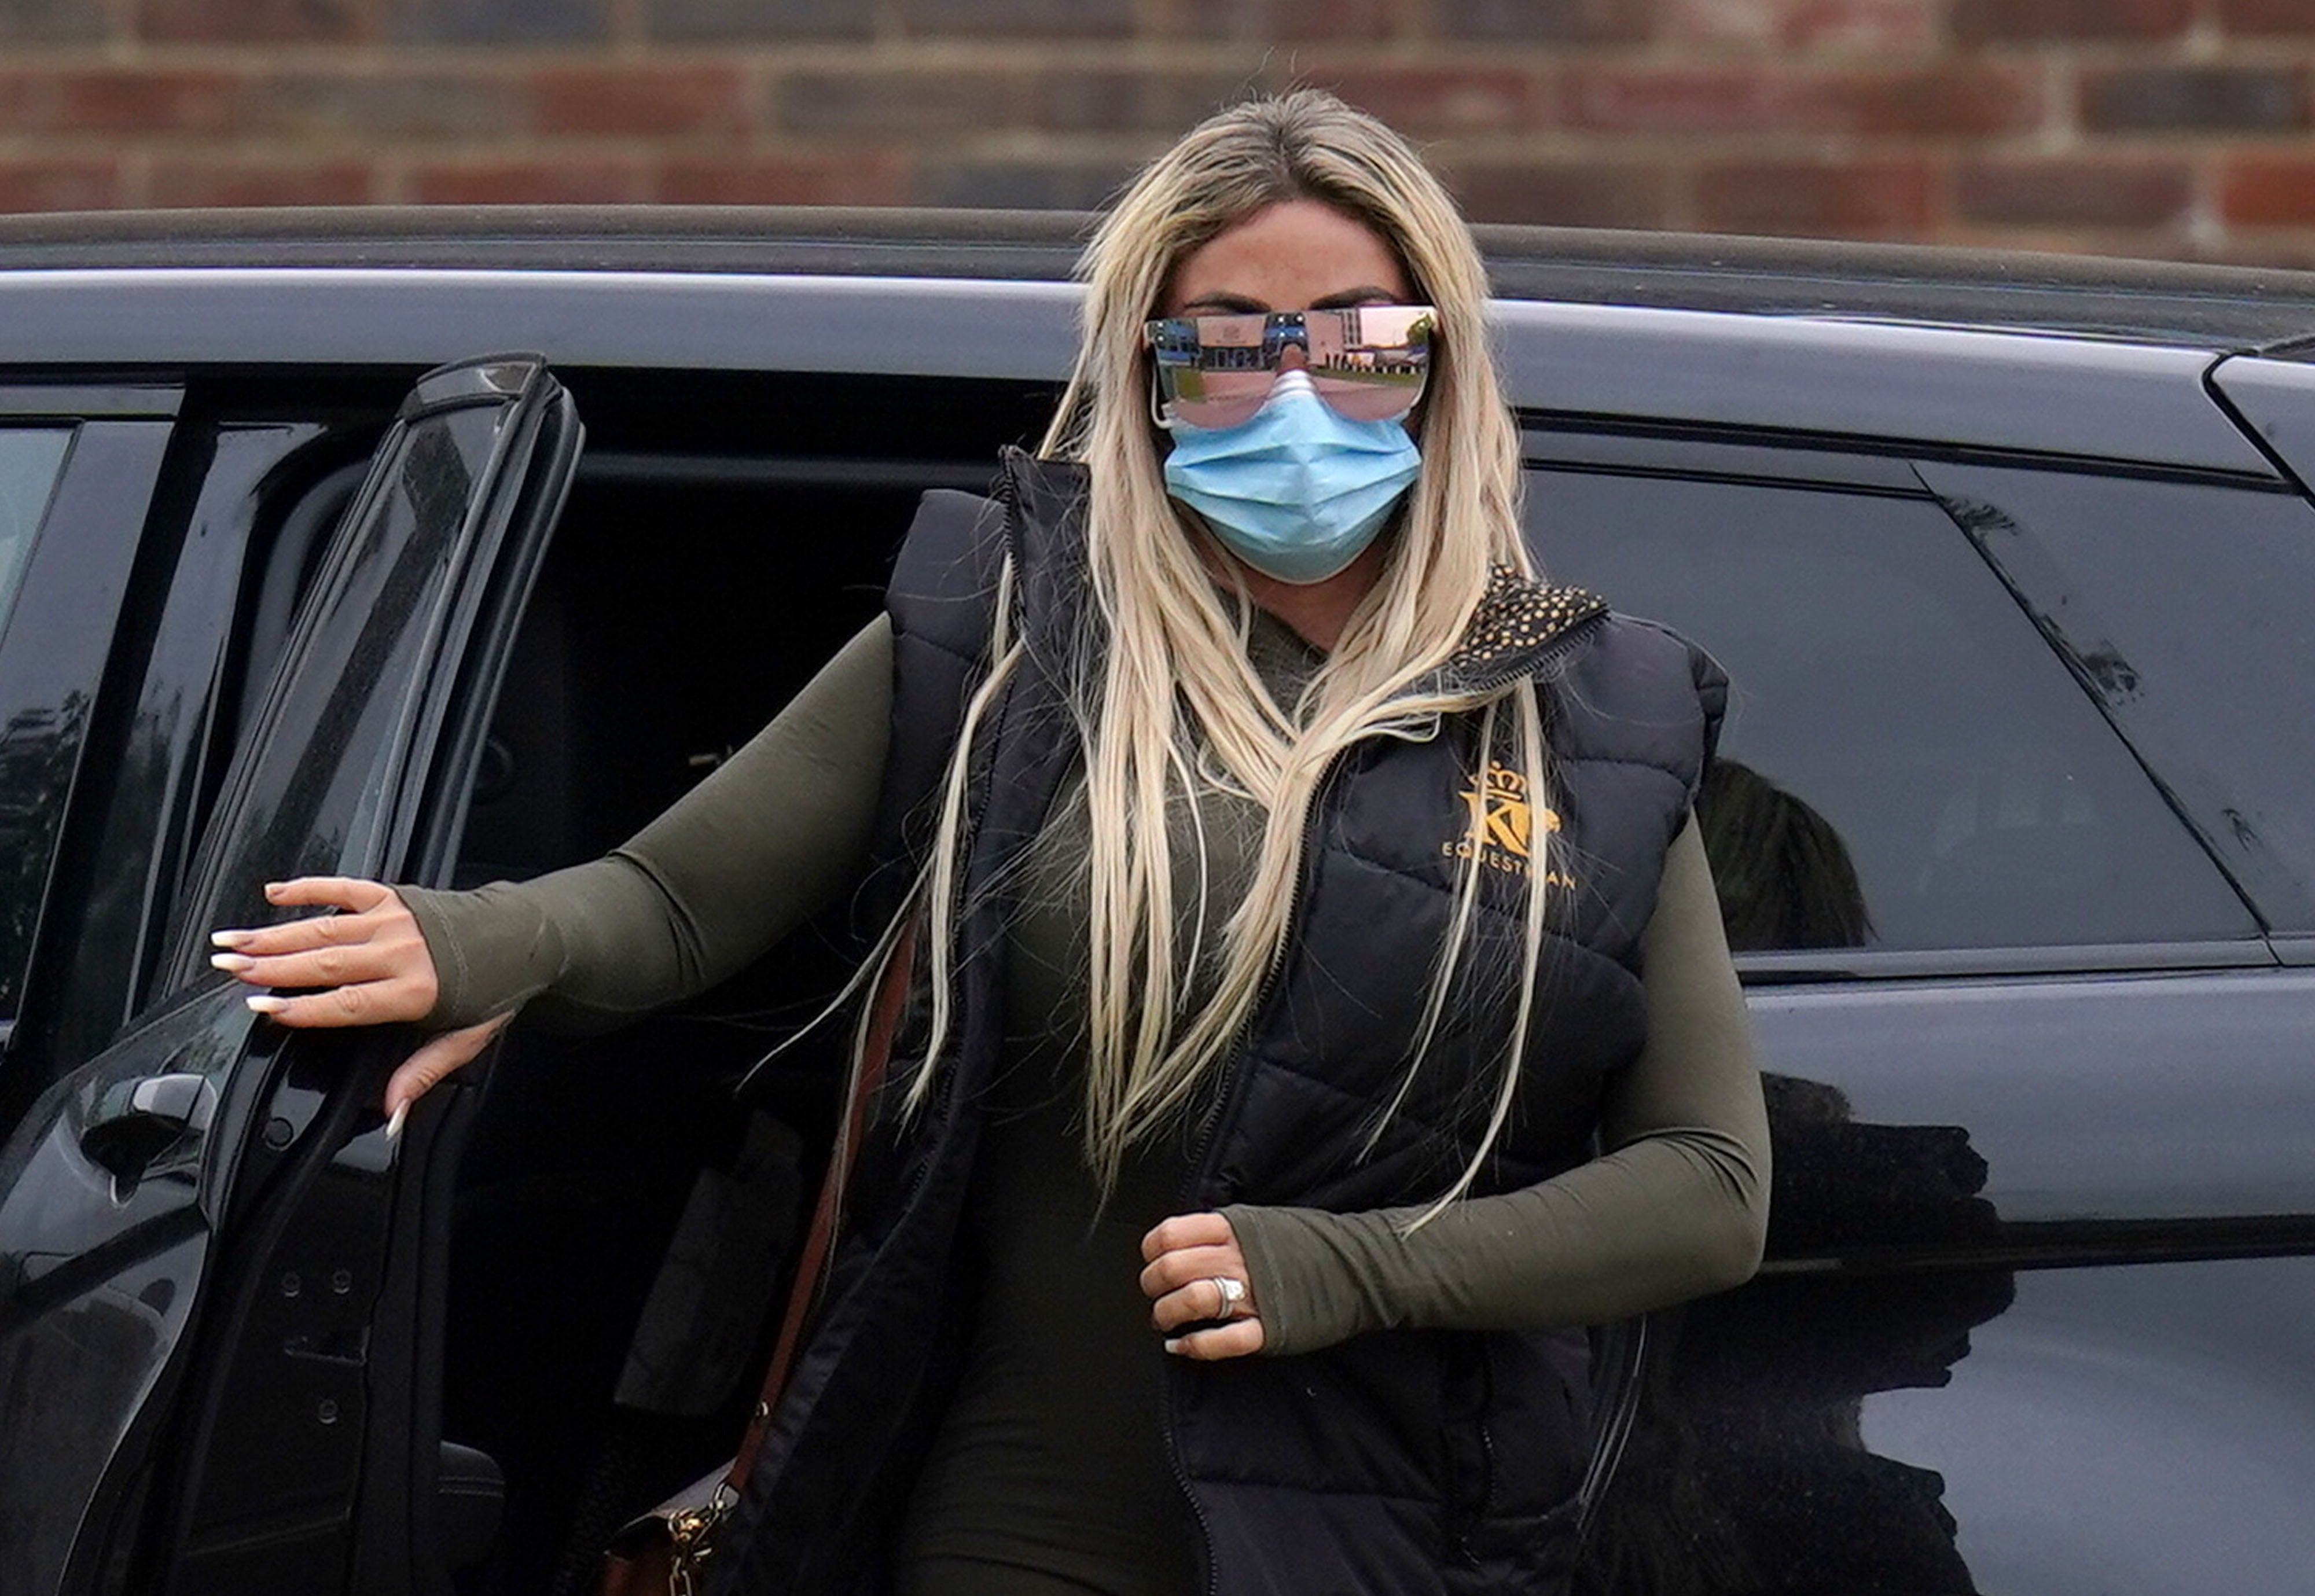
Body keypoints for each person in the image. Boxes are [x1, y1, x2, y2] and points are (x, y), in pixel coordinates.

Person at [211, 90, 1769, 1596]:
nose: (1295, 395)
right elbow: (670, 904)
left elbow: (1708, 1186)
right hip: (1019, 1526)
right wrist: (479, 942)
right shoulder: (1008, 626)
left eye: (1361, 340)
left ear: (1442, 367)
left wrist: (1350, 1271)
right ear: (1145, 374)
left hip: (1395, 1532)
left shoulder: (1591, 717)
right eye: (1227, 343)